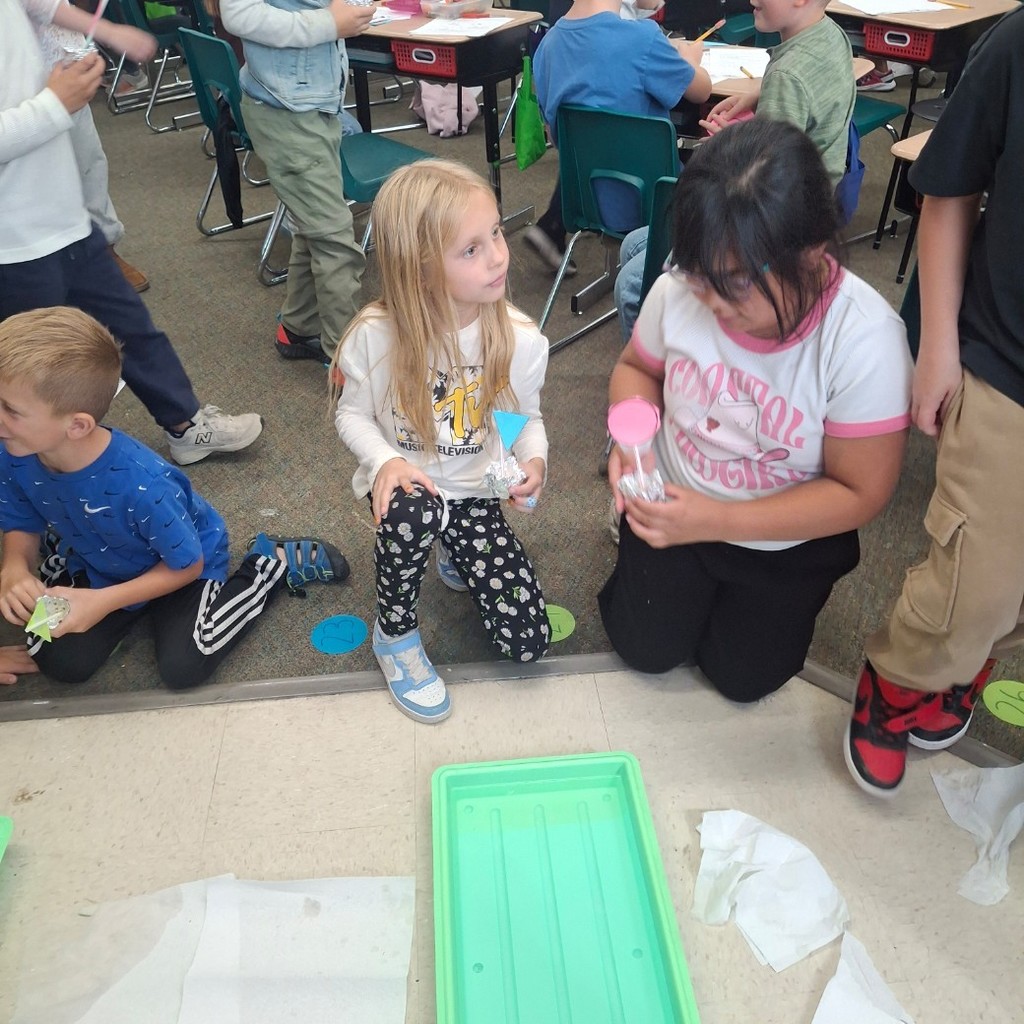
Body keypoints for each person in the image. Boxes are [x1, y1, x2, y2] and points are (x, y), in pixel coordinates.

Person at [599, 119, 913, 706]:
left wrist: (716, 521)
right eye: (700, 276)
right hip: (673, 507)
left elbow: (859, 493)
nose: (712, 303)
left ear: (812, 254)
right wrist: (631, 440)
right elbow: (637, 370)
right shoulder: (681, 290)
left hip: (784, 541)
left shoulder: (863, 340)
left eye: (736, 283)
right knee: (644, 649)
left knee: (743, 680)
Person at [847, 6, 1024, 798]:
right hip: (1005, 359)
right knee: (971, 582)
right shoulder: (1016, 42)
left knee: (1005, 601)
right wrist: (939, 345)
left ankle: (967, 660)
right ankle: (896, 678)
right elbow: (949, 188)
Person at [332, 159, 550, 724]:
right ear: (420, 268)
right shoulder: (375, 336)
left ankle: (456, 547)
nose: (500, 254)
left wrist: (531, 460)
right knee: (413, 514)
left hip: (476, 496)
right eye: (471, 249)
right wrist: (385, 461)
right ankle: (395, 635)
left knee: (528, 642)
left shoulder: (520, 339)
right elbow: (351, 417)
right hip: (415, 491)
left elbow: (520, 418)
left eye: (496, 232)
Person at [1, 0, 264, 468]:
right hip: (13, 241)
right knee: (33, 377)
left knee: (132, 328)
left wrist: (107, 30)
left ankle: (185, 425)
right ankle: (33, 494)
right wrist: (53, 105)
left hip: (64, 213)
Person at [0, 308, 291, 689]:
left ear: (77, 425)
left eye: (9, 409)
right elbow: (21, 519)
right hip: (98, 558)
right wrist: (15, 568)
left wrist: (103, 604)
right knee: (58, 659)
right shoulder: (14, 448)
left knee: (185, 666)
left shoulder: (144, 485)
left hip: (181, 566)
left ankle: (271, 564)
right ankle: (113, 606)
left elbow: (186, 564)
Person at [616, 0, 856, 344]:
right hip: (811, 205)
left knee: (631, 283)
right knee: (634, 245)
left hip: (765, 230)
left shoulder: (787, 80)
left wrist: (732, 143)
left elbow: (766, 180)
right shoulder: (829, 35)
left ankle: (659, 376)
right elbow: (800, 79)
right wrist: (755, 93)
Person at [220, 0, 373, 365]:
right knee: (336, 240)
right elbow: (238, 14)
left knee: (317, 226)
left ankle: (299, 327)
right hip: (286, 108)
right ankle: (348, 365)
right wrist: (328, 22)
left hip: (312, 101)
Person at [525, 0, 712, 273]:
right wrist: (691, 61)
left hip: (583, 202)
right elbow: (702, 92)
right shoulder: (644, 38)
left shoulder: (547, 48)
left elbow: (556, 139)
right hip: (655, 203)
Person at [36, 2, 149, 292]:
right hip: (20, 79)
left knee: (88, 162)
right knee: (33, 180)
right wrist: (108, 31)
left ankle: (105, 248)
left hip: (63, 66)